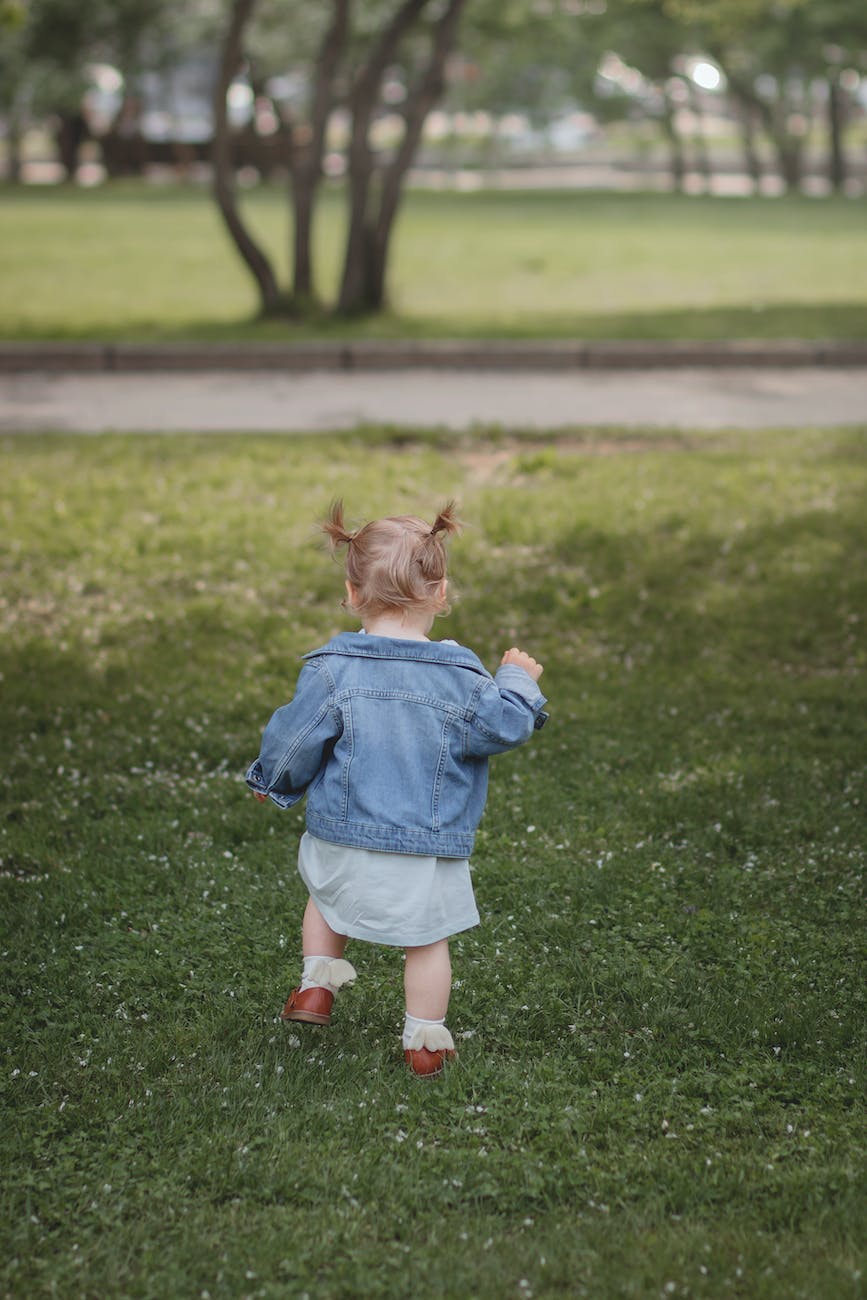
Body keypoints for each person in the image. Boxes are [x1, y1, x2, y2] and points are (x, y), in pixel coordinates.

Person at [245, 500, 548, 1078]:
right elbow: (502, 726)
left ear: (352, 593)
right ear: (439, 595)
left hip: (343, 833)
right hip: (426, 846)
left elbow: (295, 734)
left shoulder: (334, 667)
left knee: (328, 901)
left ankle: (315, 987)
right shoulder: (461, 674)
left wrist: (274, 779)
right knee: (427, 941)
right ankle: (425, 1044)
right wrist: (516, 678)